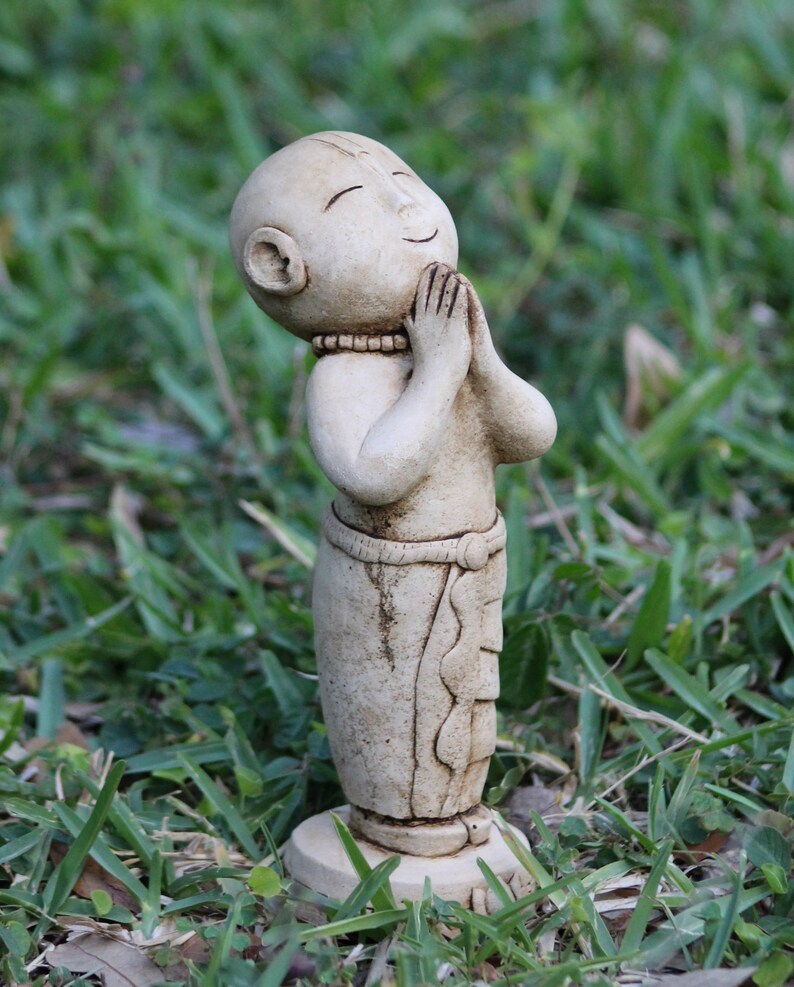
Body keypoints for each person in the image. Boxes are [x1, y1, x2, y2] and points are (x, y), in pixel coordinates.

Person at [230, 132, 556, 856]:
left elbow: (530, 432)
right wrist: (439, 371)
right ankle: (398, 829)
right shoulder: (343, 375)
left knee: (466, 705)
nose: (409, 205)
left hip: (469, 563)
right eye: (363, 202)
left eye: (404, 179)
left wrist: (480, 359)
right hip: (389, 585)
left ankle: (454, 815)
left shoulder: (441, 341)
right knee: (398, 718)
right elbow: (375, 473)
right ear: (281, 264)